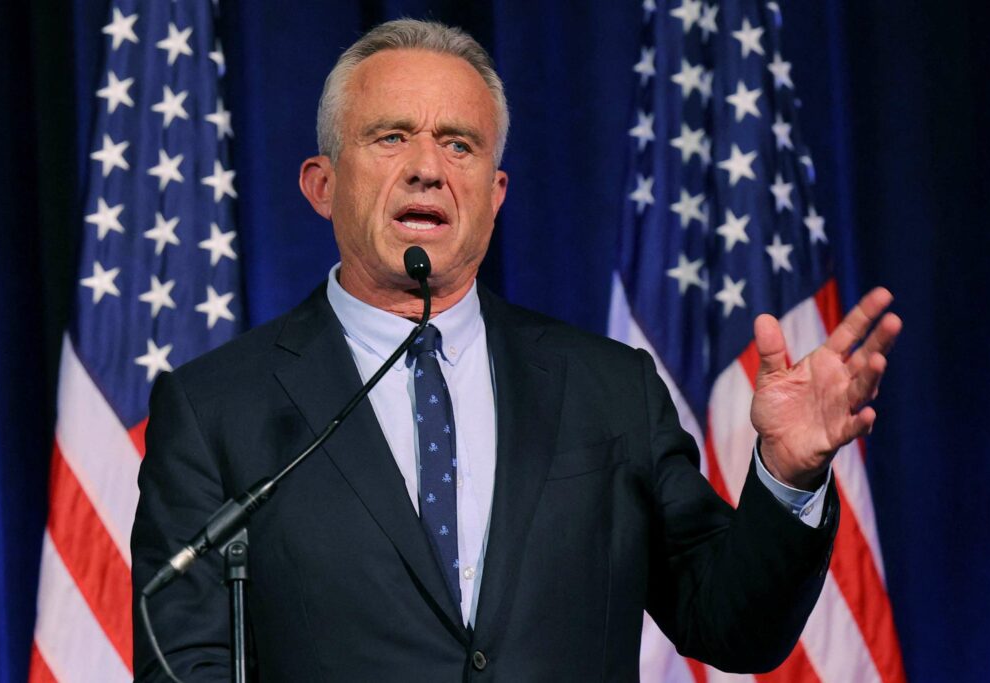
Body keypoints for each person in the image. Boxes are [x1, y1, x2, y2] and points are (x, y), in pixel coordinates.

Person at [132, 19, 901, 682]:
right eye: (391, 136)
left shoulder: (612, 390)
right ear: (321, 184)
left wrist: (789, 476)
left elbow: (731, 625)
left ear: (496, 194)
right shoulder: (214, 410)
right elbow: (182, 663)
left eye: (458, 144)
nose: (427, 167)